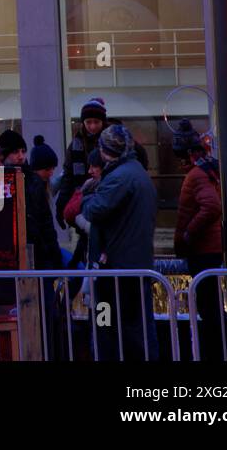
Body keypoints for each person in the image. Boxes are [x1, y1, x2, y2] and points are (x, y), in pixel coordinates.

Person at [79, 125, 159, 360]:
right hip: (134, 266)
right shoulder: (137, 173)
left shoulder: (118, 178)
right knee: (138, 328)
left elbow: (94, 210)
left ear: (105, 151)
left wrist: (86, 196)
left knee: (108, 326)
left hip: (115, 271)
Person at [171, 120, 222, 357]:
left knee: (208, 305)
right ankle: (217, 348)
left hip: (202, 250)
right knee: (211, 304)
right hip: (209, 248)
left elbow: (211, 207)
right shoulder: (208, 170)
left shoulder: (196, 175)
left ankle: (213, 351)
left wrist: (189, 233)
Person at [56, 97, 107, 230]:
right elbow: (68, 175)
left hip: (106, 196)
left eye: (96, 122)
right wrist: (61, 205)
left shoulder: (111, 142)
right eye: (88, 122)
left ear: (103, 121)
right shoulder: (75, 145)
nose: (92, 126)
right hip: (82, 199)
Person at [24, 135, 62, 269]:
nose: (51, 173)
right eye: (47, 169)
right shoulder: (37, 187)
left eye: (52, 169)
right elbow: (46, 225)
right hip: (42, 251)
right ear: (35, 168)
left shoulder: (39, 185)